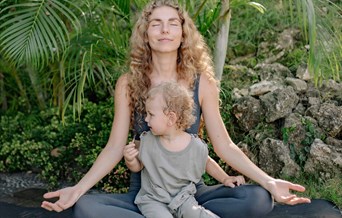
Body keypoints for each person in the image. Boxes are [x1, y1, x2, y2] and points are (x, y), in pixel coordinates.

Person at [41, 0, 311, 217]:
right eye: (156, 24)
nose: (165, 30)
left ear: (183, 34)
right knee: (87, 208)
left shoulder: (202, 82)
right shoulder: (127, 83)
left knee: (258, 199)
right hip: (147, 194)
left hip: (192, 191)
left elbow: (224, 146)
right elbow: (114, 148)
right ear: (145, 34)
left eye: (172, 23)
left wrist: (269, 181)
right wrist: (78, 190)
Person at [123, 82, 245, 218]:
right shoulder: (147, 140)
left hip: (183, 198)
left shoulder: (194, 145)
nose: (146, 119)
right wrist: (130, 159)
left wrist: (225, 178)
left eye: (151, 114)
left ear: (171, 118)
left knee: (197, 214)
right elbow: (138, 167)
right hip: (153, 199)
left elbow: (206, 162)